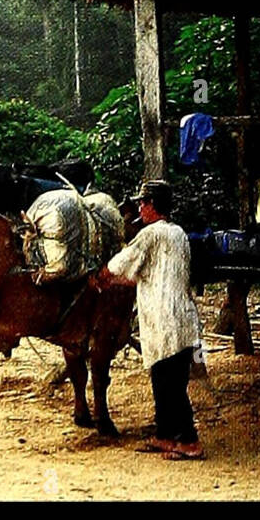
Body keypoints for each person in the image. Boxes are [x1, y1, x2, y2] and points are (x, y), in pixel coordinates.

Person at [94, 180, 204, 460]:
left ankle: (189, 442)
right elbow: (144, 275)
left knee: (171, 385)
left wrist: (101, 275)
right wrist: (112, 281)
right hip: (180, 318)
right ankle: (165, 435)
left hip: (165, 320)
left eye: (143, 202)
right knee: (164, 380)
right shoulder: (178, 234)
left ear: (153, 205)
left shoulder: (150, 235)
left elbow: (124, 262)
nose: (140, 207)